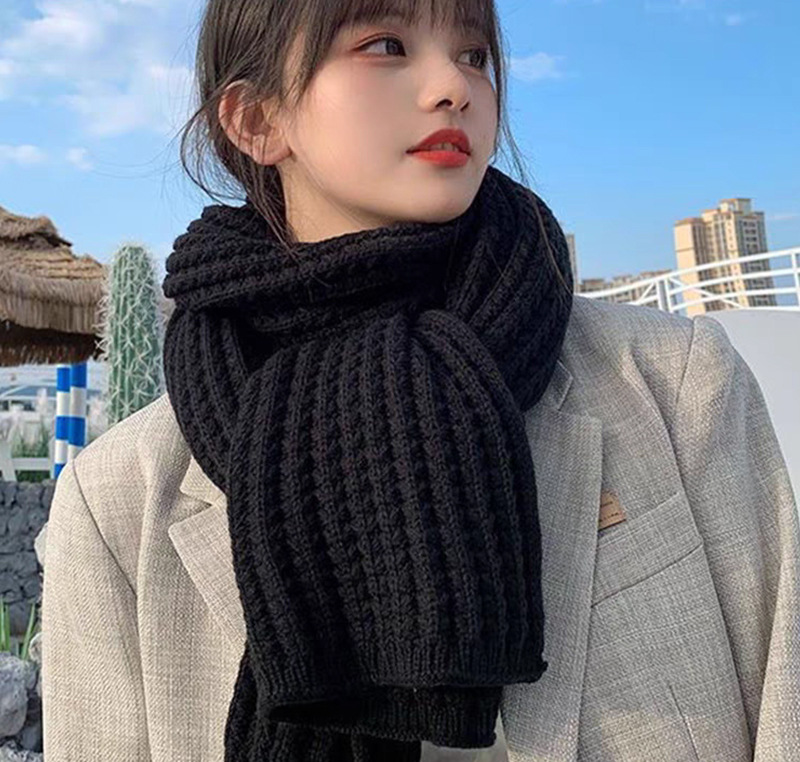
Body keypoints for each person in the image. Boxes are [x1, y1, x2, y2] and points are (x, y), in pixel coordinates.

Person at [41, 0, 800, 760]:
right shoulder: (118, 502)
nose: (454, 87)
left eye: (474, 55)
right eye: (385, 45)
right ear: (257, 120)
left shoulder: (672, 382)